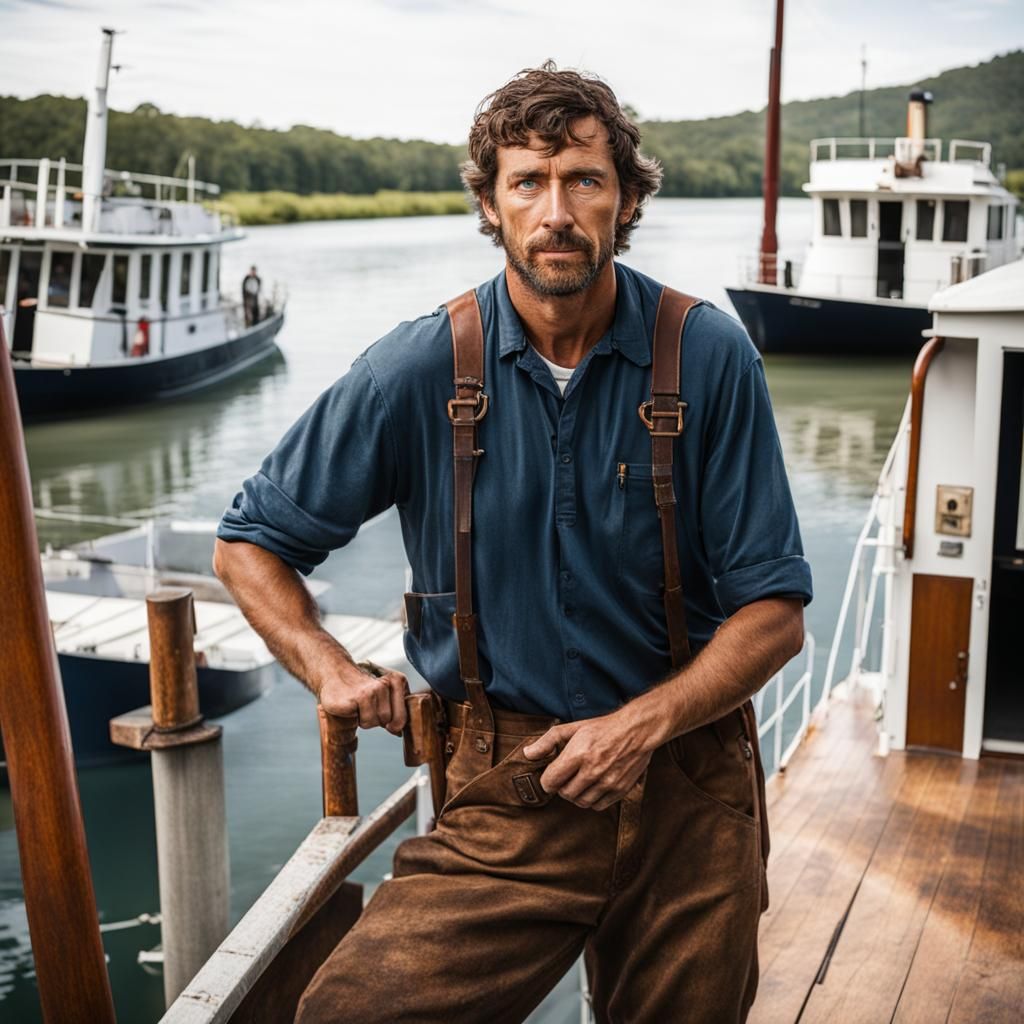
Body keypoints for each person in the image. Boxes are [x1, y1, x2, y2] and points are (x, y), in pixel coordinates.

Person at [214, 63, 812, 1024]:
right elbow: (250, 542)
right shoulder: (414, 368)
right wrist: (326, 666)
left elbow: (774, 615)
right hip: (507, 784)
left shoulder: (707, 353)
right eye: (527, 181)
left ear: (626, 197)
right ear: (490, 204)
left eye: (584, 179)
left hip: (688, 790)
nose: (557, 211)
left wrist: (641, 727)